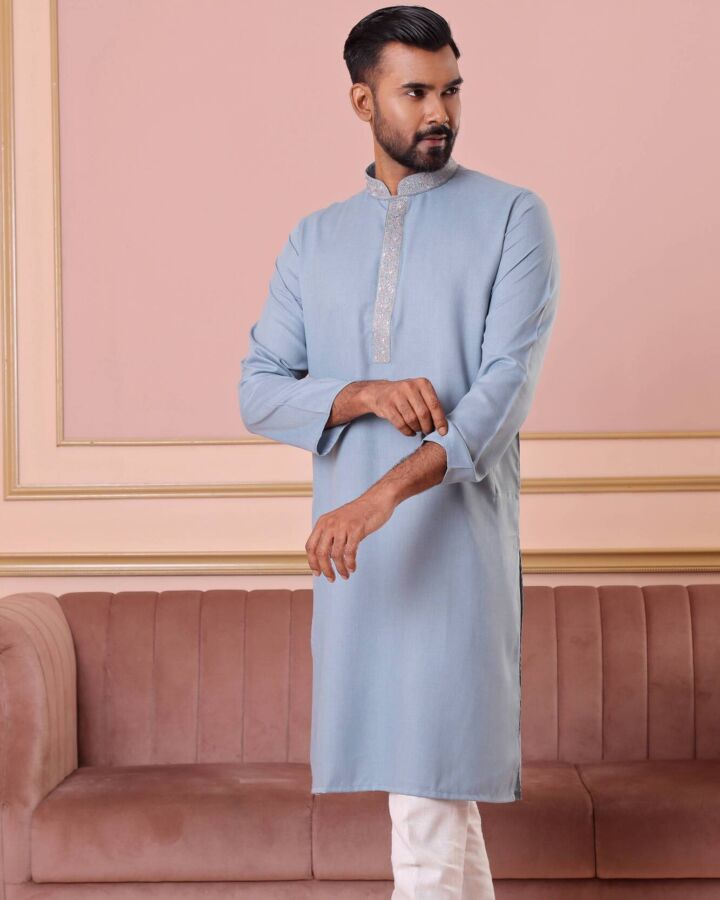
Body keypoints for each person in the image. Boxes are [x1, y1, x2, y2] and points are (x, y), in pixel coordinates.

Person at [238, 6, 560, 897]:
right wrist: (365, 393)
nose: (439, 112)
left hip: (453, 558)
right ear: (361, 101)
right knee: (435, 808)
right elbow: (258, 390)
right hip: (360, 569)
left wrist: (378, 496)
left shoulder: (512, 218)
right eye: (415, 92)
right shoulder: (314, 239)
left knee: (428, 807)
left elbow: (499, 399)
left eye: (451, 89)